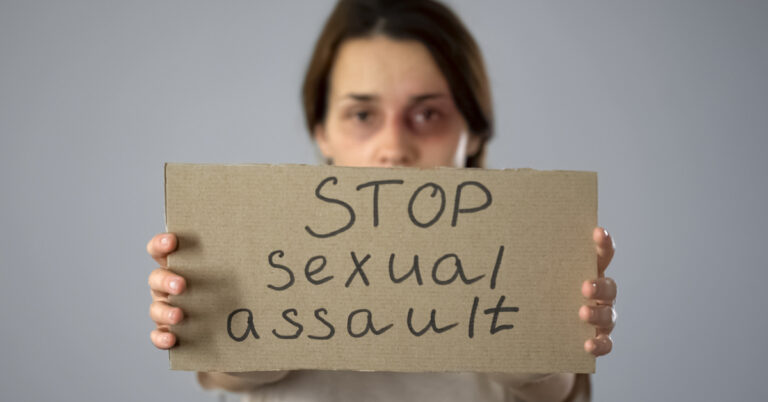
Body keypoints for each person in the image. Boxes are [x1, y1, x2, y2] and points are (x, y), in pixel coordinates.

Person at [146, 1, 617, 401]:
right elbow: (236, 372)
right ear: (321, 130)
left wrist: (548, 339)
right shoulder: (258, 247)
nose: (393, 148)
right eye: (363, 114)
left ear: (472, 130)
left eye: (427, 113)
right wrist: (205, 317)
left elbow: (549, 387)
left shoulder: (532, 252)